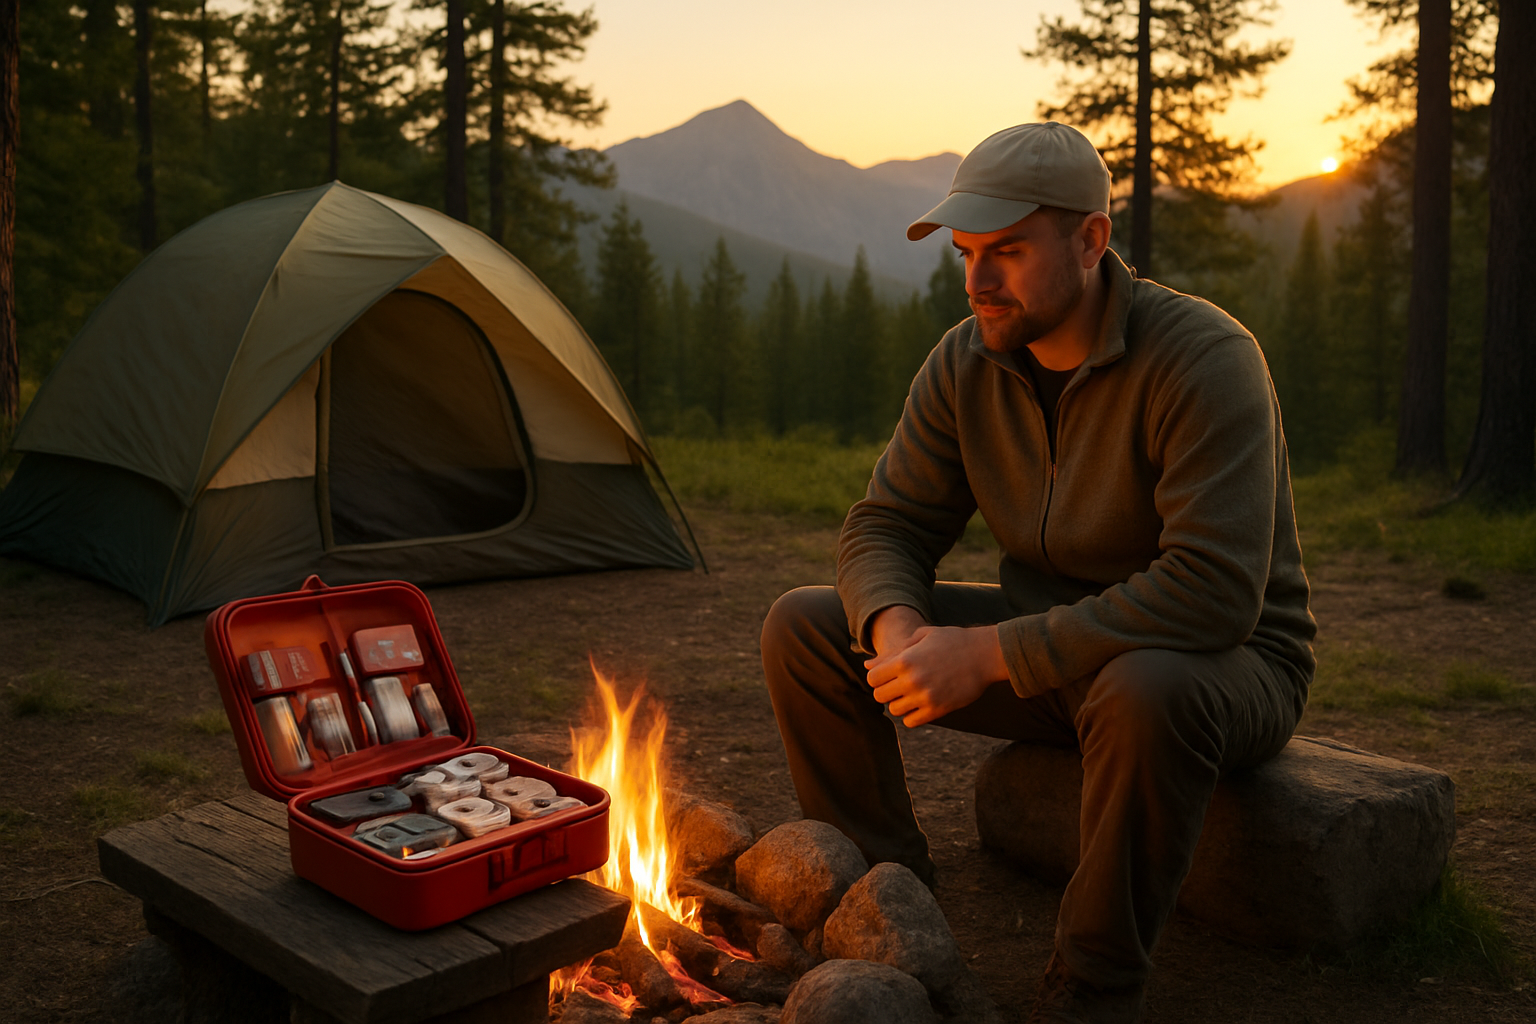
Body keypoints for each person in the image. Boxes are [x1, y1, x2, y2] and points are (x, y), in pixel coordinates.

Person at [759, 121, 1316, 1024]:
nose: (977, 280)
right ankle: (889, 915)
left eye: (1007, 252)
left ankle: (1089, 993)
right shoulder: (965, 362)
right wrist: (894, 626)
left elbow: (1214, 589)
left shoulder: (1203, 359)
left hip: (1221, 664)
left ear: (1091, 240)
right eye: (967, 252)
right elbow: (886, 524)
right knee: (809, 626)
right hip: (1058, 656)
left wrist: (989, 656)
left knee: (1145, 688)